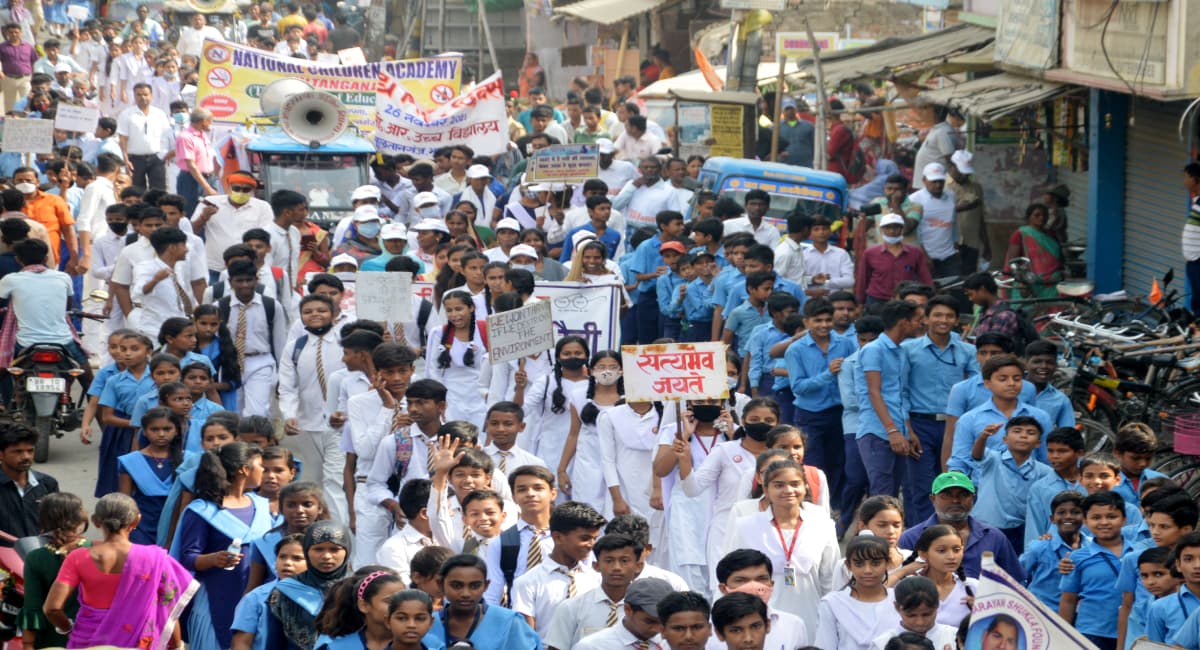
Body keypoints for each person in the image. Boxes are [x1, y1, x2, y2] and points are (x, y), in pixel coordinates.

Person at [44, 493, 197, 649]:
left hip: (88, 641)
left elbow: (52, 609)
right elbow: (168, 609)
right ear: (136, 520)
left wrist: (68, 628)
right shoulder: (155, 558)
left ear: (96, 522)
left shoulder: (77, 557)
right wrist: (177, 645)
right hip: (139, 641)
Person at [172, 442, 272, 650]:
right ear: (244, 469)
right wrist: (213, 558)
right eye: (261, 465)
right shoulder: (203, 510)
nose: (265, 470)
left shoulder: (262, 506)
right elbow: (188, 557)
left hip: (259, 596)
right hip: (216, 597)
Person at [898, 471, 1024, 581]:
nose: (955, 500)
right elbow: (897, 580)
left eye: (963, 495)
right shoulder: (911, 538)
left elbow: (1014, 581)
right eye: (947, 495)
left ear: (973, 498)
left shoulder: (994, 537)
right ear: (933, 499)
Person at [1060, 491, 1134, 650]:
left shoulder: (1138, 553)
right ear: (1085, 521)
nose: (1104, 522)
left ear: (1124, 519)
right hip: (1091, 631)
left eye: (1111, 516)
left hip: (1133, 630)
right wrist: (1062, 635)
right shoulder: (1077, 557)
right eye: (1096, 518)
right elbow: (1068, 599)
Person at [265, 520, 354, 650]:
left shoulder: (358, 589)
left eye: (335, 549)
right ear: (307, 551)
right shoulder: (284, 591)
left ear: (347, 551)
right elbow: (274, 641)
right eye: (318, 549)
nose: (326, 556)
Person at [430, 553, 543, 648]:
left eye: (475, 586)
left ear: (486, 586)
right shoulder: (426, 624)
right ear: (440, 584)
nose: (465, 594)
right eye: (456, 585)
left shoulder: (509, 623)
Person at [815, 535, 901, 649]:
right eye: (859, 564)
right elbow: (825, 645)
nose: (867, 570)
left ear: (887, 563)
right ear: (848, 565)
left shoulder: (899, 600)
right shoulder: (832, 603)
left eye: (875, 563)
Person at [1020, 490, 1085, 611]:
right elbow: (1017, 576)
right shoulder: (1038, 548)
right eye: (1061, 512)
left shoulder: (1092, 548)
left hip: (1079, 616)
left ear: (1085, 516)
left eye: (1075, 512)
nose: (1068, 516)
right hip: (1042, 613)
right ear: (1052, 519)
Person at [571, 577, 672, 650]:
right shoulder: (592, 647)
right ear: (628, 610)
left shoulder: (674, 644)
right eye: (650, 621)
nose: (658, 628)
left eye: (663, 622)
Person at [856, 214, 933, 305]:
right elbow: (863, 280)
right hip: (877, 300)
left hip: (905, 300)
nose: (892, 231)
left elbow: (925, 277)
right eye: (888, 228)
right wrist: (860, 303)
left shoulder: (915, 252)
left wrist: (931, 300)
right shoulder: (870, 253)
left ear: (902, 229)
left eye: (896, 227)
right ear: (882, 230)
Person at [0, 422, 59, 537]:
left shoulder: (48, 484)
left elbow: (57, 522)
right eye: (18, 451)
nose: (26, 457)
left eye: (30, 451)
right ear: (1, 454)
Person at [117, 83, 173, 191]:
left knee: (158, 191)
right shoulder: (126, 114)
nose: (142, 97)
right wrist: (126, 160)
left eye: (145, 94)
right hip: (135, 159)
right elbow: (123, 139)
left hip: (157, 158)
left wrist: (166, 155)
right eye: (139, 95)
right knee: (137, 190)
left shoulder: (160, 114)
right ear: (134, 96)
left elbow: (166, 136)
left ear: (151, 95)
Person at [1005, 203, 1065, 299]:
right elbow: (1013, 262)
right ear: (1029, 217)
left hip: (1052, 284)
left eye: (1044, 215)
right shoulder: (1020, 234)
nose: (1041, 218)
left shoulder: (1052, 235)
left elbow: (1059, 258)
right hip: (1030, 282)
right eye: (1037, 215)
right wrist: (1021, 282)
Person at [910, 162, 959, 278]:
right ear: (924, 180)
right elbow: (914, 233)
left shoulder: (951, 196)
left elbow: (954, 223)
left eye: (941, 181)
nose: (938, 185)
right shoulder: (914, 199)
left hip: (949, 255)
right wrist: (924, 256)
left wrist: (956, 247)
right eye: (934, 181)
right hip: (926, 256)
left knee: (955, 290)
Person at [912, 107, 964, 191]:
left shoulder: (943, 131)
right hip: (927, 184)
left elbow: (950, 160)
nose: (923, 114)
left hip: (934, 185)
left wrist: (956, 183)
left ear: (936, 114)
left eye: (926, 111)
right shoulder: (937, 129)